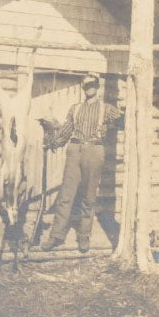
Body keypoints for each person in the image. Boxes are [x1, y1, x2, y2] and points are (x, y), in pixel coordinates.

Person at [42, 73, 122, 253]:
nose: (89, 88)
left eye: (92, 85)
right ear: (83, 88)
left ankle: (84, 236)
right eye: (86, 86)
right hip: (74, 150)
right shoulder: (75, 108)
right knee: (66, 194)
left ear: (97, 87)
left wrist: (108, 128)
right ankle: (56, 236)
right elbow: (65, 132)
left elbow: (121, 121)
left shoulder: (106, 108)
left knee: (88, 196)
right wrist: (52, 143)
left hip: (94, 150)